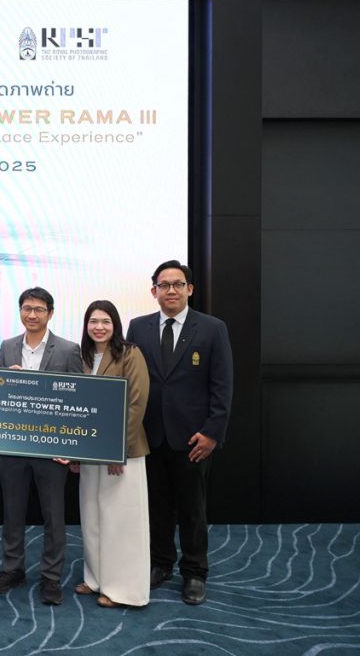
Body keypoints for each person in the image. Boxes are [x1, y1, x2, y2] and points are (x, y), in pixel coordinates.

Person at [126, 260, 233, 606]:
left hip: (193, 439)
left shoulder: (212, 328)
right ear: (153, 290)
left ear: (190, 289)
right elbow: (129, 380)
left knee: (192, 509)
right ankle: (161, 564)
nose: (170, 290)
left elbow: (222, 384)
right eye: (164, 285)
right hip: (150, 436)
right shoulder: (137, 327)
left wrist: (212, 433)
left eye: (177, 284)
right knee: (156, 506)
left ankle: (194, 572)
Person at [0, 286, 82, 605]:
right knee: (12, 511)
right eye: (27, 308)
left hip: (52, 448)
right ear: (20, 312)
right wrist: (6, 380)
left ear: (50, 314)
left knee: (53, 515)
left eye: (39, 309)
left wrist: (71, 446)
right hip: (13, 445)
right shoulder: (7, 347)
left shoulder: (68, 349)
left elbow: (77, 400)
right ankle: (12, 568)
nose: (32, 314)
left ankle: (51, 576)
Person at [69, 300, 150, 608]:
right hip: (90, 450)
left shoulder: (130, 354)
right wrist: (75, 452)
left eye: (105, 321)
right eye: (93, 321)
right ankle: (96, 578)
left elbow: (136, 403)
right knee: (92, 517)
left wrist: (119, 451)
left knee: (120, 521)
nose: (99, 327)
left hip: (121, 453)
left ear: (115, 324)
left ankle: (124, 589)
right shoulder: (83, 356)